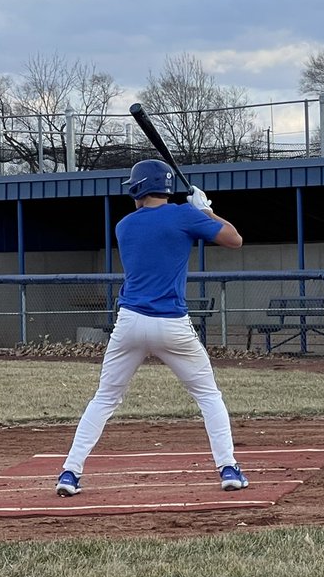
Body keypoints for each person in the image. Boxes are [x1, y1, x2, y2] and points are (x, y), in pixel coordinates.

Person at [55, 160, 249, 497]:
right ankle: (228, 468)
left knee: (105, 398)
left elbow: (159, 223)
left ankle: (70, 472)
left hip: (129, 323)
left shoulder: (124, 225)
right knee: (208, 396)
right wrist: (205, 210)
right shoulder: (184, 216)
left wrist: (194, 213)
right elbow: (235, 239)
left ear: (139, 188)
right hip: (172, 325)